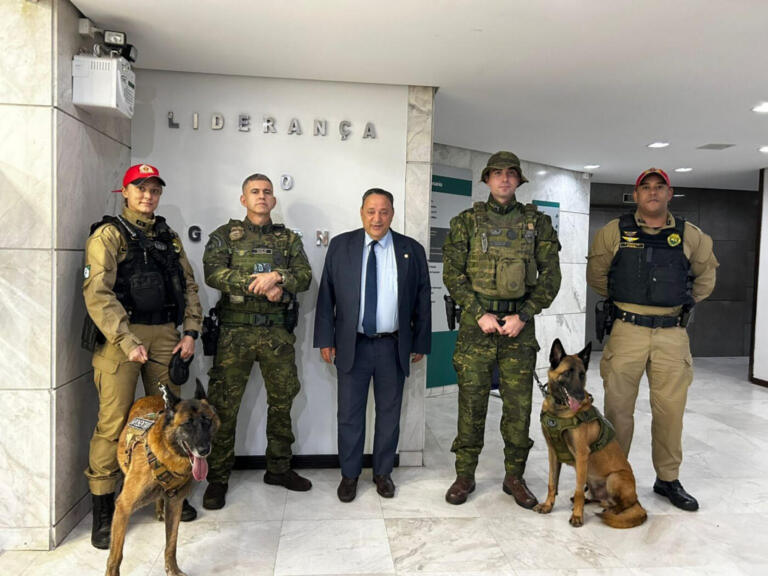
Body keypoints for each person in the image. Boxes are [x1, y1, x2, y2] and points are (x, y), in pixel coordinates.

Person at [83, 164, 203, 549]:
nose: (148, 195)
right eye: (140, 188)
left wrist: (191, 331)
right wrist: (125, 339)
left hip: (166, 335)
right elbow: (97, 294)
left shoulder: (168, 237)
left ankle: (168, 491)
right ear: (124, 192)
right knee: (114, 422)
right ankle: (105, 510)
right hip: (122, 337)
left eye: (154, 189)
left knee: (168, 418)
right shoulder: (109, 235)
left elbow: (188, 284)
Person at [587, 167, 718, 511]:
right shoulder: (613, 232)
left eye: (660, 187)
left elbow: (706, 279)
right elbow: (598, 277)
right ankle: (613, 477)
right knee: (617, 411)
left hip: (672, 335)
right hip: (626, 330)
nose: (653, 193)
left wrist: (675, 305)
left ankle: (668, 479)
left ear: (670, 193)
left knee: (670, 411)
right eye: (646, 187)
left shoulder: (691, 235)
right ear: (637, 194)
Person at [443, 151, 561, 507]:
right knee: (471, 403)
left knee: (518, 407)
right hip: (476, 328)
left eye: (511, 174)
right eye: (497, 173)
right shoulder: (466, 222)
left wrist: (523, 315)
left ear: (519, 180)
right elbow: (453, 273)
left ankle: (515, 477)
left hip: (517, 329)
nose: (504, 179)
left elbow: (551, 276)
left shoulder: (536, 224)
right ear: (487, 179)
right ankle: (464, 475)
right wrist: (478, 312)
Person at [202, 173, 312, 510]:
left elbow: (305, 275)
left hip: (277, 335)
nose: (261, 197)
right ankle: (217, 478)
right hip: (234, 334)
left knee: (282, 402)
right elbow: (213, 273)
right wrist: (260, 284)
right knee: (224, 408)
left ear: (274, 201)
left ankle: (278, 469)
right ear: (243, 199)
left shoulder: (288, 239)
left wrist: (278, 276)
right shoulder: (224, 236)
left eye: (267, 192)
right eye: (255, 192)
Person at [314, 188, 431, 502]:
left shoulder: (411, 249)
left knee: (389, 414)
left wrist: (419, 341)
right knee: (349, 415)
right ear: (361, 212)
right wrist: (325, 339)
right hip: (352, 345)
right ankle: (349, 475)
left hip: (393, 347)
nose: (377, 218)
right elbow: (327, 296)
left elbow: (422, 299)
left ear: (392, 214)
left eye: (383, 211)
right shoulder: (341, 246)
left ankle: (382, 473)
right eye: (371, 211)